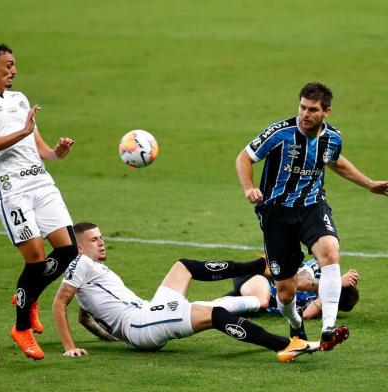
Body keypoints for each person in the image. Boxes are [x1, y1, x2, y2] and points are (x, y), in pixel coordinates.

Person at [236, 82, 388, 350]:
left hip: (312, 207)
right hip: (276, 214)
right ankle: (296, 325)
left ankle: (329, 327)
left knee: (330, 250)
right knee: (286, 292)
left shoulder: (333, 138)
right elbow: (244, 158)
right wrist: (249, 187)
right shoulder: (280, 133)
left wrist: (369, 184)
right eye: (302, 107)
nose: (305, 113)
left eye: (312, 109)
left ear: (326, 112)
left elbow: (334, 161)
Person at [53, 222, 321, 363]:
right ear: (78, 248)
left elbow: (83, 316)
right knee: (214, 314)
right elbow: (59, 303)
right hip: (139, 324)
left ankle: (260, 266)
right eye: (93, 240)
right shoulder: (81, 264)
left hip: (144, 313)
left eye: (101, 237)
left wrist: (109, 337)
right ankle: (287, 345)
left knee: (183, 267)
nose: (101, 242)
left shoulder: (90, 271)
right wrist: (70, 347)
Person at [0, 44, 78, 360]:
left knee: (68, 249)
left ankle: (28, 298)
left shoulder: (19, 99)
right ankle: (21, 328)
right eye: (8, 64)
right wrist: (22, 131)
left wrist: (57, 152)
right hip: (12, 190)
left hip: (41, 182)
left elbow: (38, 145)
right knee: (35, 260)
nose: (14, 70)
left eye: (14, 64)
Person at [203, 257, 359, 320]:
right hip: (258, 277)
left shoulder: (320, 306)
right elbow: (299, 281)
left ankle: (196, 308)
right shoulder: (317, 267)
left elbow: (303, 316)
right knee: (262, 301)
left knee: (216, 310)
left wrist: (324, 299)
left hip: (257, 298)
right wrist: (333, 282)